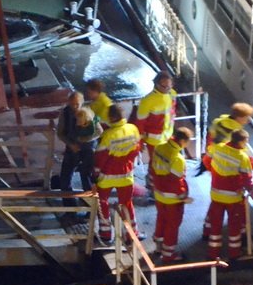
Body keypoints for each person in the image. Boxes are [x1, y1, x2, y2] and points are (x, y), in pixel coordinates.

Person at [204, 129, 253, 261]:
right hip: (234, 198)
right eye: (246, 141)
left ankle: (213, 254)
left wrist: (214, 173)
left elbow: (206, 160)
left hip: (216, 195)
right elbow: (247, 180)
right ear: (241, 141)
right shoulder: (242, 157)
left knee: (215, 225)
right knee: (235, 226)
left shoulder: (218, 148)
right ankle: (234, 253)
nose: (247, 143)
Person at [94, 103, 143, 244]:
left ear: (111, 118)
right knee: (127, 204)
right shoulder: (133, 129)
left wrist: (96, 173)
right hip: (126, 175)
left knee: (102, 203)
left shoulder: (108, 135)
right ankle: (132, 233)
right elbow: (136, 149)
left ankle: (105, 233)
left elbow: (100, 157)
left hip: (106, 177)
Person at [150, 127, 194, 262]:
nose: (188, 144)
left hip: (158, 194)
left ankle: (158, 247)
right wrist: (183, 197)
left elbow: (153, 168)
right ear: (182, 140)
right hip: (172, 199)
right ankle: (169, 254)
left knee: (161, 219)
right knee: (172, 225)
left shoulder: (159, 147)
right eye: (188, 141)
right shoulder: (178, 159)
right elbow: (176, 181)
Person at [56, 92, 97, 212]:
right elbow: (60, 132)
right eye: (72, 104)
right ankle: (70, 208)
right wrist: (71, 144)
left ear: (82, 102)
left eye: (77, 104)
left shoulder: (89, 112)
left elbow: (98, 131)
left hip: (88, 150)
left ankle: (90, 210)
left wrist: (84, 140)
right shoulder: (65, 113)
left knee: (87, 179)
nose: (74, 107)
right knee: (65, 178)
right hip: (72, 148)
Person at [135, 71, 177, 154]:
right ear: (156, 84)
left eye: (169, 86)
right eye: (164, 86)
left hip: (168, 135)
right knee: (155, 164)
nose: (167, 89)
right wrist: (139, 141)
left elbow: (172, 112)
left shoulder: (172, 93)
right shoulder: (147, 101)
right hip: (154, 140)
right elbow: (139, 123)